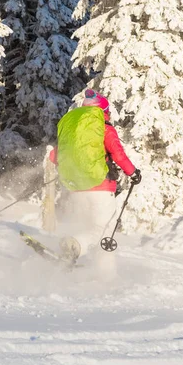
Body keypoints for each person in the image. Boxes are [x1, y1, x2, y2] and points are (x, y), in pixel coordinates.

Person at [49, 89, 141, 263]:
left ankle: (73, 257)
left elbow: (54, 157)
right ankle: (80, 252)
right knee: (102, 230)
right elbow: (118, 154)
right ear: (104, 112)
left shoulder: (74, 131)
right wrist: (133, 173)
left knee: (82, 225)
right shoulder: (104, 128)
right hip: (101, 187)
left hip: (75, 188)